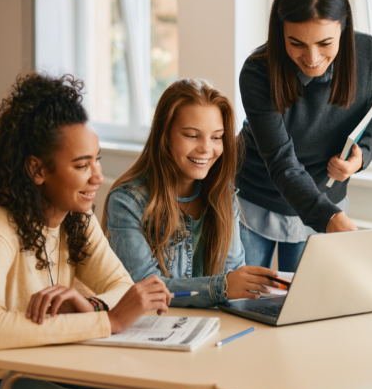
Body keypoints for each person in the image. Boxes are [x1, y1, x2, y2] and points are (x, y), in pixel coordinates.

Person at [0, 74, 175, 389]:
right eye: (81, 164)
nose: (98, 175)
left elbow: (121, 288)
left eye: (96, 159)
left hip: (35, 367)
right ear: (37, 170)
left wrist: (88, 307)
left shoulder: (77, 220)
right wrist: (107, 320)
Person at [238, 0, 372, 271]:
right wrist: (330, 217)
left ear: (344, 28)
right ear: (280, 31)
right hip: (257, 197)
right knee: (245, 302)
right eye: (296, 43)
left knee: (308, 308)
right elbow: (281, 161)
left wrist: (360, 159)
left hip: (326, 199)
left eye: (325, 43)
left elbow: (370, 124)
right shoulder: (257, 72)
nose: (311, 58)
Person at [103, 79, 278, 308]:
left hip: (213, 328)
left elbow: (234, 275)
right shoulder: (127, 201)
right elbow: (146, 287)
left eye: (216, 137)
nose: (206, 148)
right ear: (164, 135)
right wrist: (221, 287)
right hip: (158, 330)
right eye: (192, 136)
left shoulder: (222, 194)